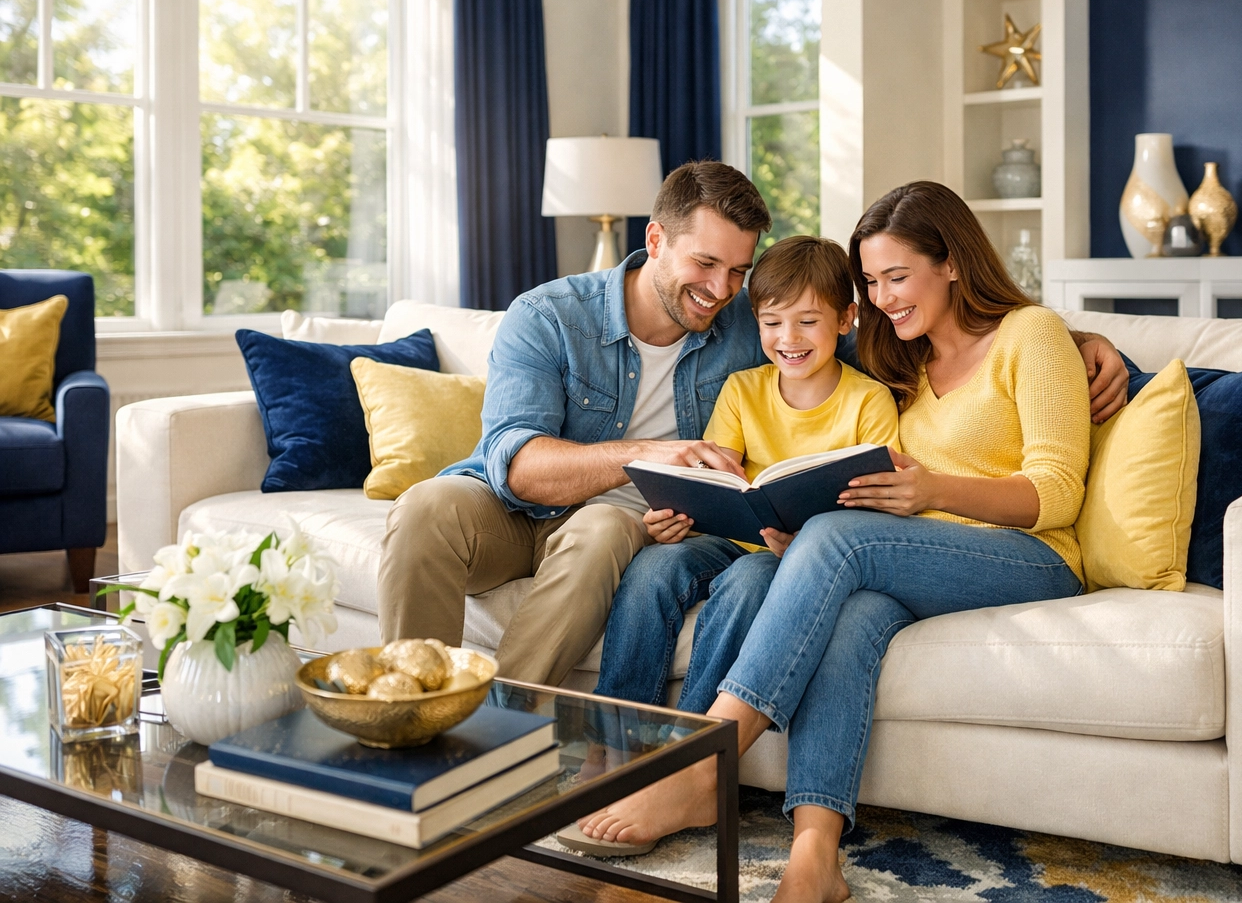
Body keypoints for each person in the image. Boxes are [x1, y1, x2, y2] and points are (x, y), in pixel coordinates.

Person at [377, 158, 1128, 690]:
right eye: (706, 265)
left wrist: (1080, 343)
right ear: (655, 240)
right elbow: (515, 464)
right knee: (425, 508)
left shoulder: (753, 322)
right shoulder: (549, 315)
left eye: (738, 272)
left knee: (611, 531)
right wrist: (649, 451)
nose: (719, 291)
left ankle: (502, 726)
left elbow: (863, 315)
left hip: (623, 522)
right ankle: (408, 712)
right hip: (515, 507)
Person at [576, 181, 1096, 903]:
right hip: (913, 558)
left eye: (899, 277)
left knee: (836, 540)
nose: (884, 298)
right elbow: (805, 331)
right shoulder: (899, 356)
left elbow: (1059, 492)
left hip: (1029, 558)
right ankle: (815, 854)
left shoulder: (1029, 335)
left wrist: (937, 489)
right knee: (849, 622)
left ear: (952, 263)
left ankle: (700, 768)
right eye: (874, 282)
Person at [558, 237, 902, 854]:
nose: (787, 337)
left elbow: (871, 507)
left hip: (796, 559)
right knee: (654, 567)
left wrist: (801, 538)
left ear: (846, 320)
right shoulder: (743, 390)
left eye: (808, 321)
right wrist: (679, 517)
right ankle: (614, 745)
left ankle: (685, 763)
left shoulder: (869, 400)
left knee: (747, 583)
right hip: (727, 536)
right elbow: (720, 479)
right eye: (771, 322)